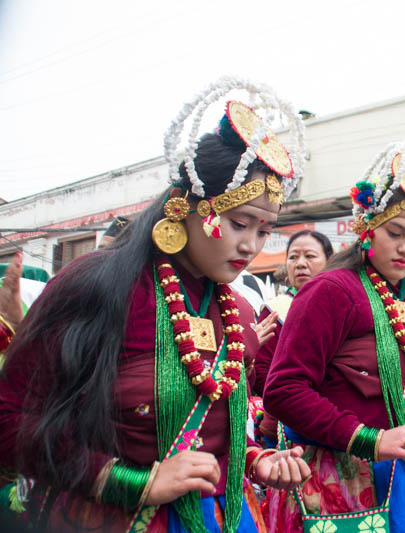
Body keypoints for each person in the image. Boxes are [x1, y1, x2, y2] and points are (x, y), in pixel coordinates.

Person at [0, 77, 312, 532]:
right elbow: (10, 421)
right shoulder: (97, 285)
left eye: (264, 232)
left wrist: (256, 461)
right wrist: (134, 481)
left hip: (222, 515)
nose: (250, 245)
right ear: (186, 206)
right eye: (240, 223)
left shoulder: (239, 313)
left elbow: (213, 429)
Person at [261, 140, 405, 533]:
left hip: (404, 477)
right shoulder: (331, 290)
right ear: (367, 228)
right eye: (395, 232)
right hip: (338, 481)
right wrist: (371, 439)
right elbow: (284, 390)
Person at [251, 230, 334, 445]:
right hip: (285, 420)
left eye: (310, 256)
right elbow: (261, 370)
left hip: (337, 418)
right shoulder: (276, 310)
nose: (300, 264)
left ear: (329, 261)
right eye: (293, 257)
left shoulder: (340, 304)